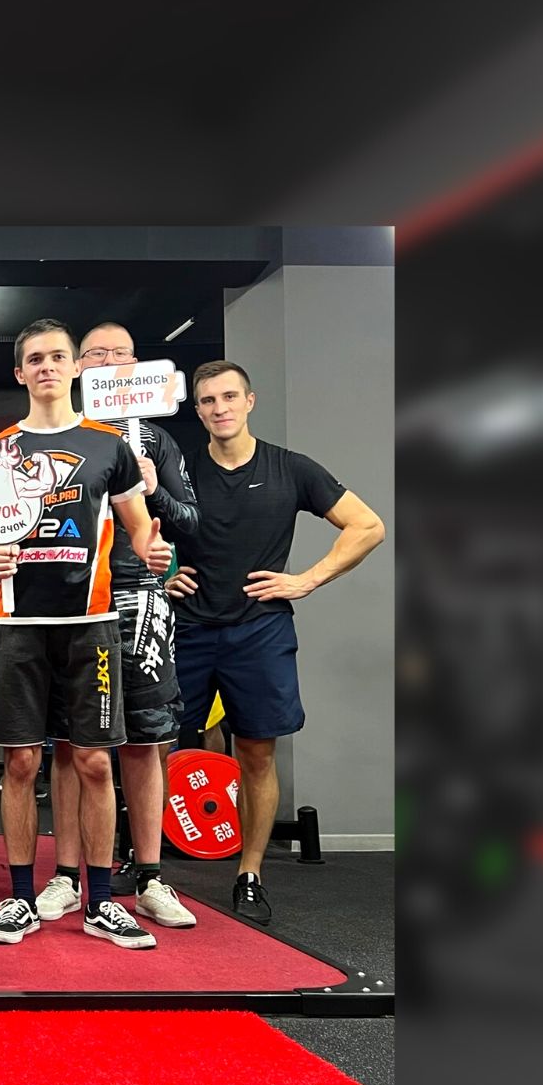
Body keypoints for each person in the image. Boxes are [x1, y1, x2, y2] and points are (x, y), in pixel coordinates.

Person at [164, 359, 387, 925]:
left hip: (258, 631)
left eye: (229, 397)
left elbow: (368, 526)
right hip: (187, 629)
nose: (220, 408)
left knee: (256, 754)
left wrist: (307, 579)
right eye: (208, 400)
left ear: (249, 401)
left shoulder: (290, 468)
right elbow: (135, 534)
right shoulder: (180, 473)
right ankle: (142, 867)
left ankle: (249, 874)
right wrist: (160, 576)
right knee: (151, 750)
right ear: (198, 411)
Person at [0, 319, 170, 951]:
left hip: (92, 625)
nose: (47, 367)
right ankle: (19, 896)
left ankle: (102, 901)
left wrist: (154, 548)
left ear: (75, 367)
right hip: (19, 624)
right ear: (19, 372)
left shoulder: (108, 445)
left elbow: (138, 527)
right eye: (35, 359)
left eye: (57, 357)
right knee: (21, 761)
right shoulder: (0, 448)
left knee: (93, 760)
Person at [38, 323, 205, 931]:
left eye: (121, 353)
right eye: (97, 353)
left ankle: (151, 878)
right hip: (74, 598)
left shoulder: (154, 438)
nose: (109, 361)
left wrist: (153, 492)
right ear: (80, 366)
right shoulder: (60, 436)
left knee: (144, 737)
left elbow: (190, 521)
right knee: (68, 740)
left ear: (136, 364)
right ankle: (65, 875)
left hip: (137, 596)